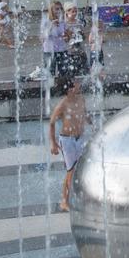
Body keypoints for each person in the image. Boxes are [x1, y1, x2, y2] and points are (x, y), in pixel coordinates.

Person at [49, 77, 89, 212]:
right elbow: (52, 123)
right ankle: (64, 201)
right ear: (69, 89)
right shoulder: (63, 105)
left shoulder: (81, 99)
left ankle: (79, 196)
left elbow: (84, 113)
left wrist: (93, 124)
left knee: (82, 168)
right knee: (71, 171)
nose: (78, 84)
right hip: (67, 140)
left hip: (80, 138)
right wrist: (53, 144)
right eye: (75, 83)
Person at [62, 2, 88, 77]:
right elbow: (65, 39)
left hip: (81, 51)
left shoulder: (79, 23)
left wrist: (81, 34)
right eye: (72, 11)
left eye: (75, 11)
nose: (74, 13)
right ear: (66, 12)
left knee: (83, 72)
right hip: (70, 52)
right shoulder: (64, 24)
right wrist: (69, 35)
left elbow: (84, 37)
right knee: (71, 73)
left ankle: (80, 87)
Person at [41, 1, 67, 78]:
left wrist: (67, 37)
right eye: (56, 9)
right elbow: (42, 37)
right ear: (51, 10)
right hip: (49, 51)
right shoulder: (46, 21)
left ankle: (61, 89)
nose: (59, 11)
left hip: (62, 50)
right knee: (49, 74)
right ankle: (51, 89)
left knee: (63, 74)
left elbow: (65, 35)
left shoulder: (62, 21)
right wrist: (51, 25)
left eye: (60, 9)